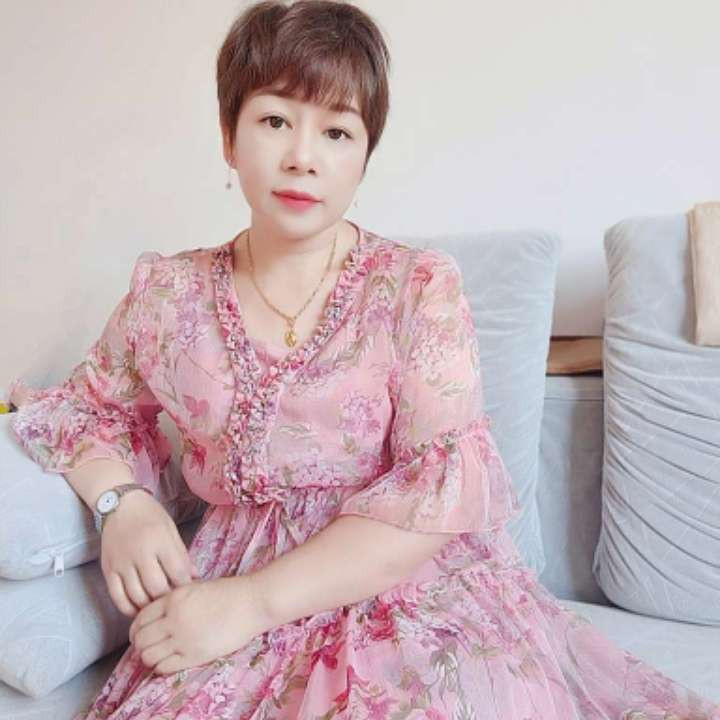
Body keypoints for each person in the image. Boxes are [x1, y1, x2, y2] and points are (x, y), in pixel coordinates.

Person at [9, 2, 720, 718]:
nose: (303, 156)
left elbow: (434, 491)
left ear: (364, 155)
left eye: (337, 131)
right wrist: (120, 502)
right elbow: (83, 408)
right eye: (275, 120)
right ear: (229, 136)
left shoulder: (418, 289)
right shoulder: (169, 295)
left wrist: (249, 604)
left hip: (403, 585)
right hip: (222, 587)